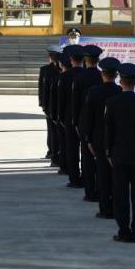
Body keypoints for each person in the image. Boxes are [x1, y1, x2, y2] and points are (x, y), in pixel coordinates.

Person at [104, 63, 135, 244]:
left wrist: (108, 152)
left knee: (120, 194)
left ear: (120, 81)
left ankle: (123, 230)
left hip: (119, 154)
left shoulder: (112, 103)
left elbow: (109, 130)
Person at [81, 57, 122, 219]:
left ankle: (105, 208)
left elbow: (88, 118)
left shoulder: (94, 92)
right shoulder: (119, 91)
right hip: (116, 138)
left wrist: (88, 139)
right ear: (116, 75)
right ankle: (116, 206)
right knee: (116, 174)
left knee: (102, 173)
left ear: (102, 74)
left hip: (98, 137)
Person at [72, 44, 103, 202]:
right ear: (98, 60)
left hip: (84, 120)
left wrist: (76, 122)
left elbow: (75, 103)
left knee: (87, 157)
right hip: (102, 121)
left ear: (85, 59)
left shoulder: (79, 77)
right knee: (102, 157)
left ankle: (90, 191)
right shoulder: (102, 76)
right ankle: (102, 189)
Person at [60, 45, 85, 188]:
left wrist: (60, 117)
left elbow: (61, 100)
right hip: (87, 116)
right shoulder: (89, 75)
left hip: (69, 116)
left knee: (72, 148)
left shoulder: (64, 76)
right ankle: (87, 177)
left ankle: (74, 178)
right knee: (87, 150)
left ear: (70, 59)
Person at [39, 45, 62, 164]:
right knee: (51, 130)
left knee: (57, 131)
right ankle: (52, 151)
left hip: (60, 104)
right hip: (49, 105)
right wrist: (42, 104)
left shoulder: (63, 69)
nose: (51, 57)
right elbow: (42, 88)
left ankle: (56, 153)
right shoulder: (45, 69)